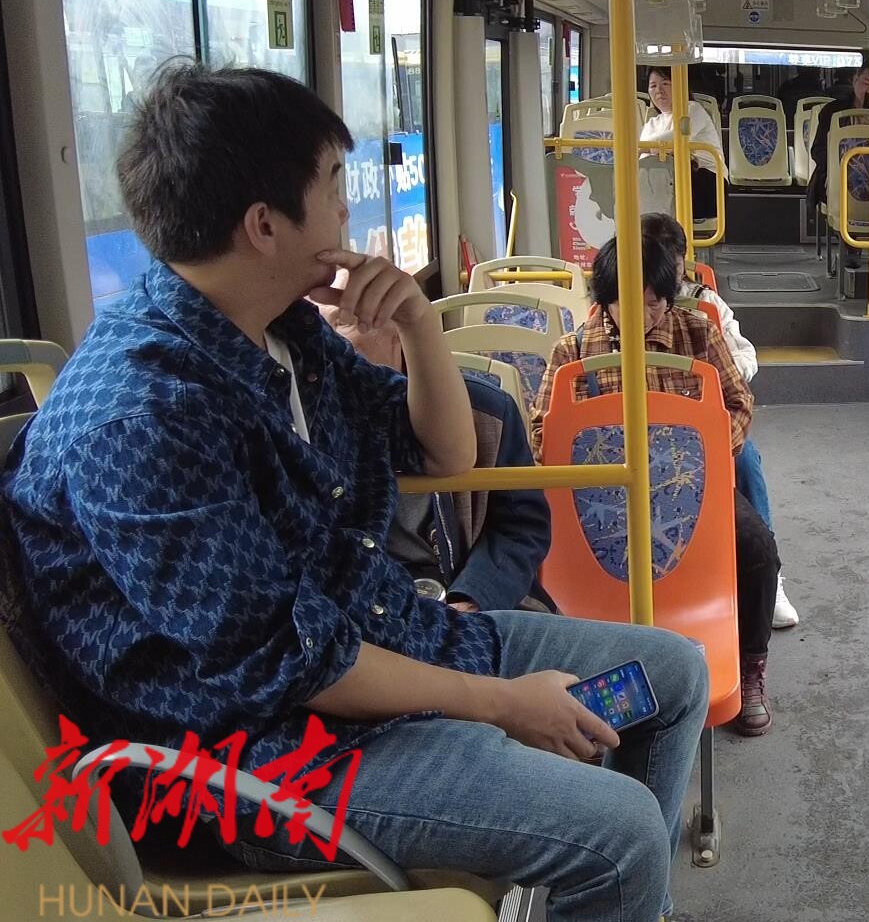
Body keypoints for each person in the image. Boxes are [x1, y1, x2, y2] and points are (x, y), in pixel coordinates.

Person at [0, 63, 707, 922]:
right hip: (266, 759)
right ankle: (618, 882)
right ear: (265, 225)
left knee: (674, 675)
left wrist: (416, 320)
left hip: (376, 644)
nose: (348, 212)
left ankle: (618, 900)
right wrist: (503, 705)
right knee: (621, 832)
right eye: (335, 186)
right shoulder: (144, 417)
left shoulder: (279, 331)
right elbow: (288, 664)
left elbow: (445, 453)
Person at [531, 234, 783, 736]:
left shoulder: (697, 335)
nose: (644, 316)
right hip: (602, 500)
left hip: (690, 492)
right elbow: (542, 433)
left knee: (758, 551)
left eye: (655, 303)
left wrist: (707, 454)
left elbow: (738, 403)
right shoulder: (573, 352)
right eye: (630, 303)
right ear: (606, 298)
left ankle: (750, 663)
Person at [326, 306, 556, 613]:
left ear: (399, 328)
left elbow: (521, 527)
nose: (324, 339)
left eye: (343, 321)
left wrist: (473, 597)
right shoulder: (306, 421)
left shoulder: (487, 411)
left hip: (470, 593)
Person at [640, 212, 799, 629]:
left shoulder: (705, 307)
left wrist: (717, 375)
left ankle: (771, 577)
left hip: (702, 423)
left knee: (744, 460)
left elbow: (744, 359)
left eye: (672, 265)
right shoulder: (613, 311)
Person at [639, 65, 724, 222]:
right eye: (653, 86)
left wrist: (642, 147)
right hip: (667, 181)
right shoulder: (651, 124)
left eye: (665, 83)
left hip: (706, 183)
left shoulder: (692, 109)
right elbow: (643, 157)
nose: (659, 90)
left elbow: (675, 138)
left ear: (679, 86)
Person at [806, 62, 869, 219]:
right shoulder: (832, 112)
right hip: (838, 178)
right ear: (855, 81)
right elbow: (818, 151)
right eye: (866, 83)